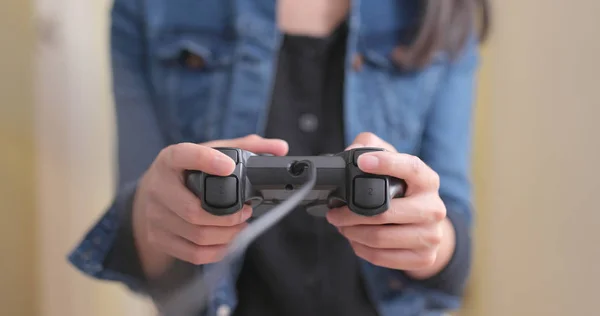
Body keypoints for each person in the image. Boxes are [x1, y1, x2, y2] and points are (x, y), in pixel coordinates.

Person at [69, 0, 490, 315]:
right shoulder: (148, 7)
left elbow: (455, 253)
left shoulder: (443, 9)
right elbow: (146, 256)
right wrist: (153, 213)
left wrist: (429, 239)